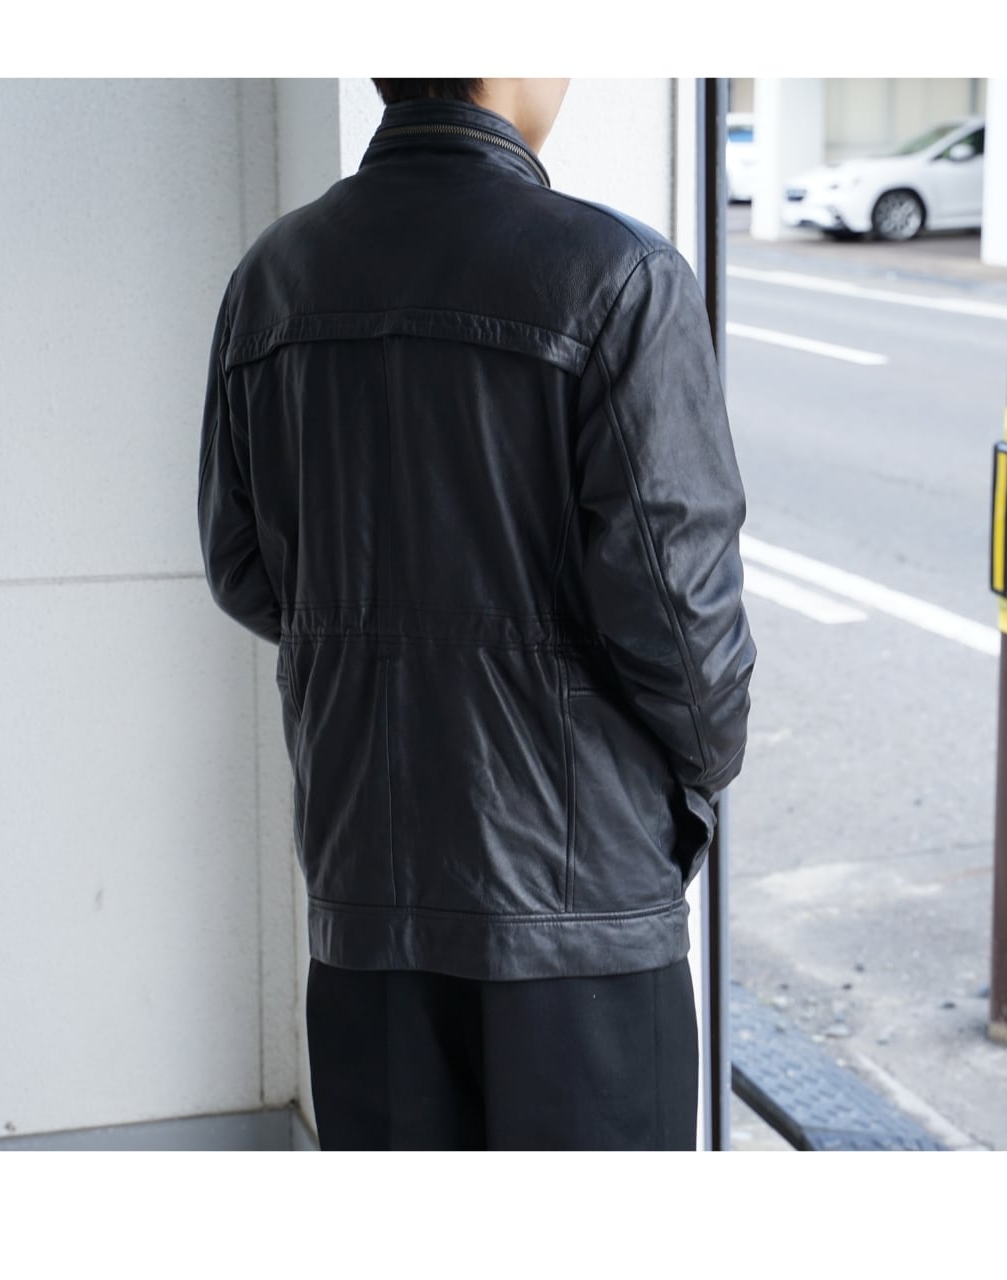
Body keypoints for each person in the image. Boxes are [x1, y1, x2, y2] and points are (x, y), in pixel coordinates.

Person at [197, 77, 755, 1150]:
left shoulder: (271, 278)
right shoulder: (618, 275)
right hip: (579, 907)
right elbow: (684, 625)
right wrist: (693, 787)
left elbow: (243, 568)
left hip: (364, 890)